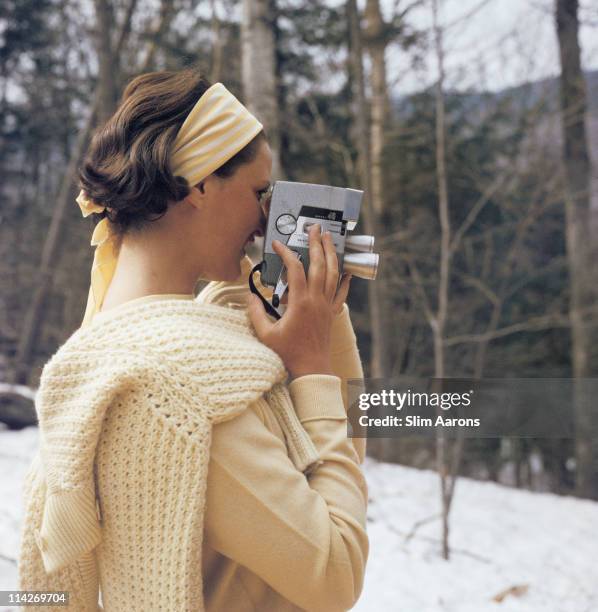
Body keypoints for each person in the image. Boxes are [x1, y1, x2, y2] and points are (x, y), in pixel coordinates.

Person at [18, 67, 369, 611]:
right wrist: (313, 369)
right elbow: (337, 573)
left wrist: (323, 318)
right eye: (259, 193)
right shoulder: (190, 385)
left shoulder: (107, 350)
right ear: (201, 184)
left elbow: (337, 464)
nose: (265, 220)